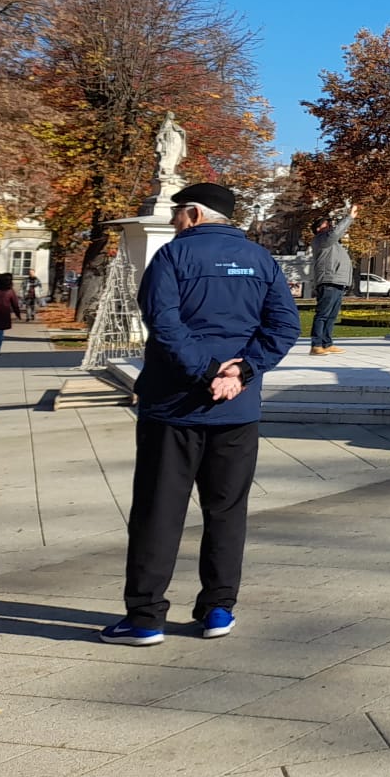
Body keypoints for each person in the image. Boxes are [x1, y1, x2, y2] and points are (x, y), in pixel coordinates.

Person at [101, 182, 299, 646]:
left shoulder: (171, 259)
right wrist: (243, 371)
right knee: (227, 512)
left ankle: (146, 617)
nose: (172, 223)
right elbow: (285, 325)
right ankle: (218, 610)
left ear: (193, 213)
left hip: (173, 407)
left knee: (158, 511)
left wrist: (206, 372)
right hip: (237, 410)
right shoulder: (262, 261)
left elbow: (163, 322)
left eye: (176, 214)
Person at [308, 203, 356, 355]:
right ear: (318, 229)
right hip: (329, 280)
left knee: (331, 315)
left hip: (337, 281)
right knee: (323, 314)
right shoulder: (321, 239)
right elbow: (336, 233)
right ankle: (316, 344)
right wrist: (350, 217)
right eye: (325, 223)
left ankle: (327, 343)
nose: (329, 224)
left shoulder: (332, 242)